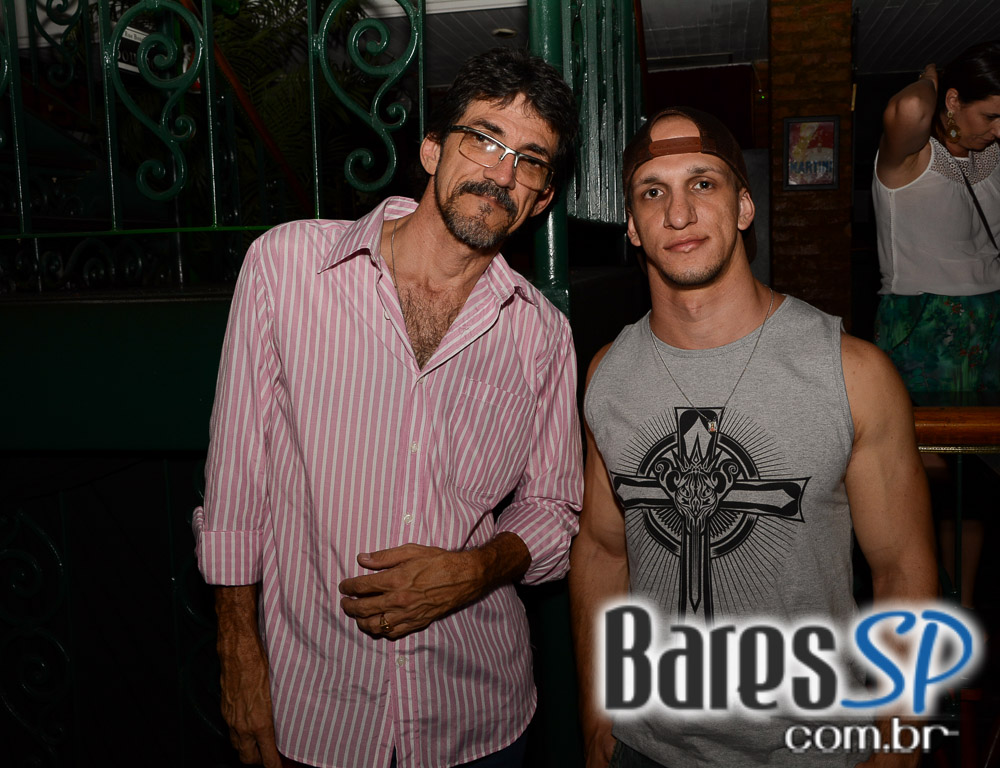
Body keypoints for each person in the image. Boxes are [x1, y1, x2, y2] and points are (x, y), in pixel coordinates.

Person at [192, 48, 582, 768]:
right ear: (432, 150)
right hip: (319, 704)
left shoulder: (542, 335)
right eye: (485, 139)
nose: (502, 174)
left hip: (477, 714)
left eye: (530, 161)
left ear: (542, 198)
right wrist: (237, 653)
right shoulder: (287, 268)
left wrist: (477, 569)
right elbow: (236, 483)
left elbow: (554, 508)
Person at [569, 107, 938, 767]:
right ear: (632, 225)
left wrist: (898, 741)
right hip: (647, 748)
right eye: (652, 192)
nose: (678, 213)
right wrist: (597, 716)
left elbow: (902, 568)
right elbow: (601, 552)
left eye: (702, 183)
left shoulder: (851, 373)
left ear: (744, 207)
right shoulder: (608, 374)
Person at [873, 40, 1000, 609]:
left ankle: (963, 610)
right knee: (920, 487)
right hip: (922, 328)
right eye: (989, 115)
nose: (997, 129)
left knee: (975, 487)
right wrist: (929, 76)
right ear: (952, 101)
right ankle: (917, 609)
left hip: (987, 327)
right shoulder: (907, 158)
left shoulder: (993, 155)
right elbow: (908, 110)